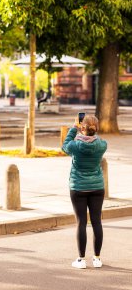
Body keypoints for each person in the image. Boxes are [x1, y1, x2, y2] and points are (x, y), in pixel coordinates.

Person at [62, 114, 107, 269]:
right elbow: (97, 139)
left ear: (82, 127)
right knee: (97, 222)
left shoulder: (75, 146)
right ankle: (97, 259)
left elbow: (65, 145)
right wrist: (88, 129)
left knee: (81, 222)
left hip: (78, 187)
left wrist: (75, 128)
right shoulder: (102, 145)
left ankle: (81, 260)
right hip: (97, 187)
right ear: (96, 129)